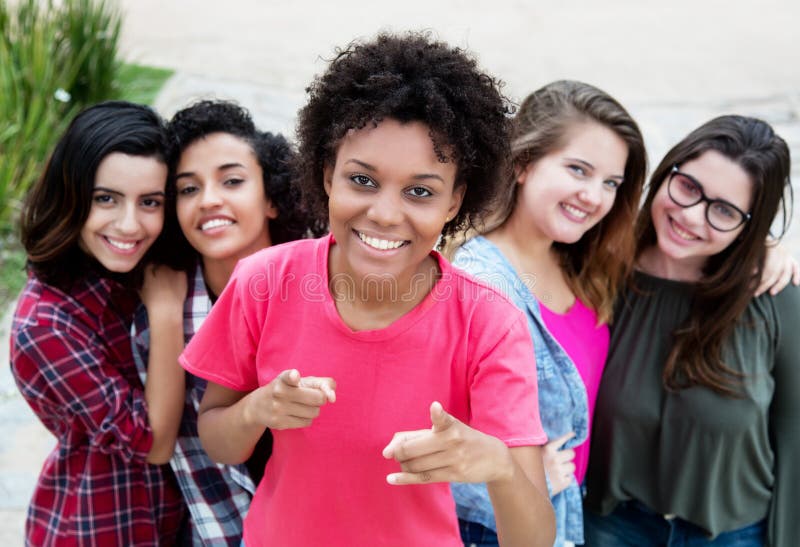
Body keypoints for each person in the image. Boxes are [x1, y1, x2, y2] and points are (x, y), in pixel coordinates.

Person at [179, 32, 555, 547]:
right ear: (328, 173)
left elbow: (532, 540)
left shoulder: (487, 322)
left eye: (420, 191)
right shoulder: (262, 282)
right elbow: (218, 440)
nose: (384, 213)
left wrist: (500, 469)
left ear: (454, 201)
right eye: (363, 180)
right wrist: (257, 409)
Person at [583, 115, 799, 546]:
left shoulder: (774, 297)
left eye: (723, 210)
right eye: (688, 187)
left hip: (733, 535)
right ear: (668, 173)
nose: (691, 217)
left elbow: (795, 432)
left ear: (749, 225)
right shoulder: (601, 274)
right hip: (613, 527)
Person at [451, 80, 647, 547]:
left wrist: (759, 246)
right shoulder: (481, 281)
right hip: (495, 530)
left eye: (610, 183)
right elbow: (428, 426)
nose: (595, 197)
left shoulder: (582, 265)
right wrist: (519, 477)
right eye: (578, 170)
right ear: (523, 164)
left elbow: (684, 242)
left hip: (568, 515)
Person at [130, 99, 320, 546]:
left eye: (232, 181)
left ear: (272, 196)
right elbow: (176, 451)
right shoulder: (163, 318)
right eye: (188, 189)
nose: (209, 199)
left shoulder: (330, 283)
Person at [10, 101, 187, 546]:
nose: (129, 225)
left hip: (180, 520)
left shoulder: (147, 270)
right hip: (100, 526)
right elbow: (152, 442)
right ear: (71, 194)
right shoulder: (46, 323)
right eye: (105, 198)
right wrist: (166, 314)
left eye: (150, 202)